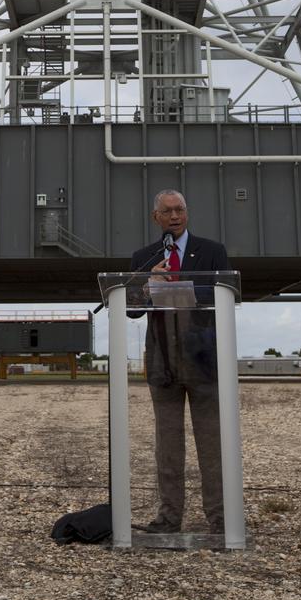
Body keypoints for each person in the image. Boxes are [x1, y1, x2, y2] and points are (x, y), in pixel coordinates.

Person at [130, 189, 230, 534]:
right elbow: (129, 309)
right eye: (168, 211)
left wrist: (175, 286)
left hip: (204, 361)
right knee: (167, 446)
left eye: (180, 210)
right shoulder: (144, 257)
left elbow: (223, 293)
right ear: (155, 217)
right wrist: (146, 286)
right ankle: (169, 517)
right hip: (163, 362)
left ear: (187, 213)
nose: (175, 216)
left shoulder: (213, 251)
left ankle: (220, 518)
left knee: (212, 444)